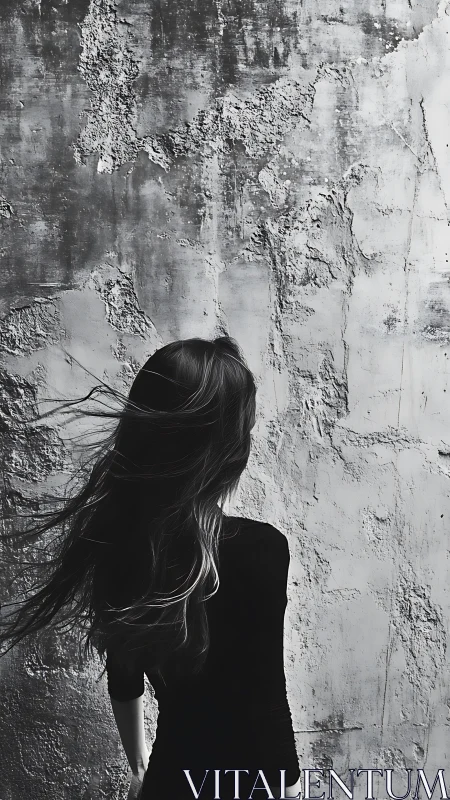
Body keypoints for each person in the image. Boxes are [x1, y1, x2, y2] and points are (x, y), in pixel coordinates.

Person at [0, 336, 301, 800]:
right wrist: (282, 784)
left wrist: (141, 767)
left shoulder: (121, 548)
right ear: (229, 445)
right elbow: (264, 700)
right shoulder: (262, 550)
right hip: (251, 784)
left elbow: (124, 679)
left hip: (170, 779)